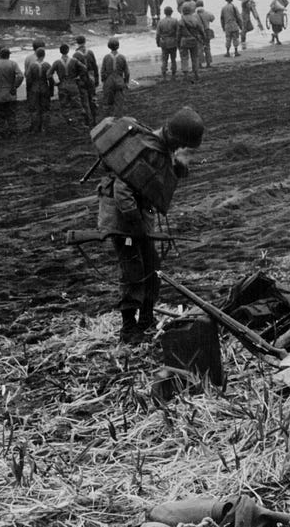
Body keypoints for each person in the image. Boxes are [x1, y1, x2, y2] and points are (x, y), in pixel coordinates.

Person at [97, 107, 205, 342]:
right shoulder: (145, 149)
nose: (179, 149)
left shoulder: (161, 149)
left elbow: (161, 177)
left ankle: (146, 319)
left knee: (152, 266)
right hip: (123, 221)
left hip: (139, 220)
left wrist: (179, 165)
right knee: (133, 269)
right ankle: (128, 328)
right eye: (180, 145)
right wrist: (136, 227)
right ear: (174, 136)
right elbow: (122, 191)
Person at [0, 47, 23, 139]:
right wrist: (15, 86)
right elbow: (20, 76)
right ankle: (13, 133)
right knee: (11, 114)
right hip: (10, 94)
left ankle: (0, 134)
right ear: (8, 55)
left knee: (0, 116)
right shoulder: (13, 64)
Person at [25, 44, 53, 132]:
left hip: (34, 88)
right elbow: (50, 79)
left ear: (36, 55)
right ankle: (45, 127)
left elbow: (28, 79)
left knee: (35, 109)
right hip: (44, 87)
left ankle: (35, 128)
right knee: (45, 109)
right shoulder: (47, 65)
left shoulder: (32, 66)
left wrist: (28, 91)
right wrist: (51, 90)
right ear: (44, 55)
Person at [74, 36, 100, 127]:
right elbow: (95, 66)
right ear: (85, 42)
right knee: (92, 98)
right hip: (91, 78)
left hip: (82, 79)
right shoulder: (90, 52)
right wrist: (97, 79)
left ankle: (88, 121)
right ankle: (95, 119)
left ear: (77, 42)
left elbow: (75, 70)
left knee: (85, 101)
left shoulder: (76, 55)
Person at [100, 37, 130, 117]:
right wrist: (126, 82)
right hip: (119, 81)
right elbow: (127, 72)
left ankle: (108, 119)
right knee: (119, 103)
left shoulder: (106, 57)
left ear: (109, 46)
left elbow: (102, 71)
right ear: (118, 46)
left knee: (108, 103)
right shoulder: (122, 57)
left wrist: (104, 81)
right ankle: (118, 118)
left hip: (109, 81)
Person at [177, 5, 202, 82]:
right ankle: (196, 74)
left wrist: (178, 43)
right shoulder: (195, 19)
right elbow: (201, 29)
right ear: (190, 11)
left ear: (183, 11)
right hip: (194, 40)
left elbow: (178, 33)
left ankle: (186, 75)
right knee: (195, 57)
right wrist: (202, 38)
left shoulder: (181, 21)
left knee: (184, 58)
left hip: (184, 40)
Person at [156, 7, 181, 79]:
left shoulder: (161, 22)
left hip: (164, 42)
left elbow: (158, 34)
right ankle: (173, 72)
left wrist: (158, 42)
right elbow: (178, 33)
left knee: (164, 59)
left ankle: (164, 72)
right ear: (171, 12)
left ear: (164, 12)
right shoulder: (175, 21)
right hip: (173, 41)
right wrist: (178, 41)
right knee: (173, 58)